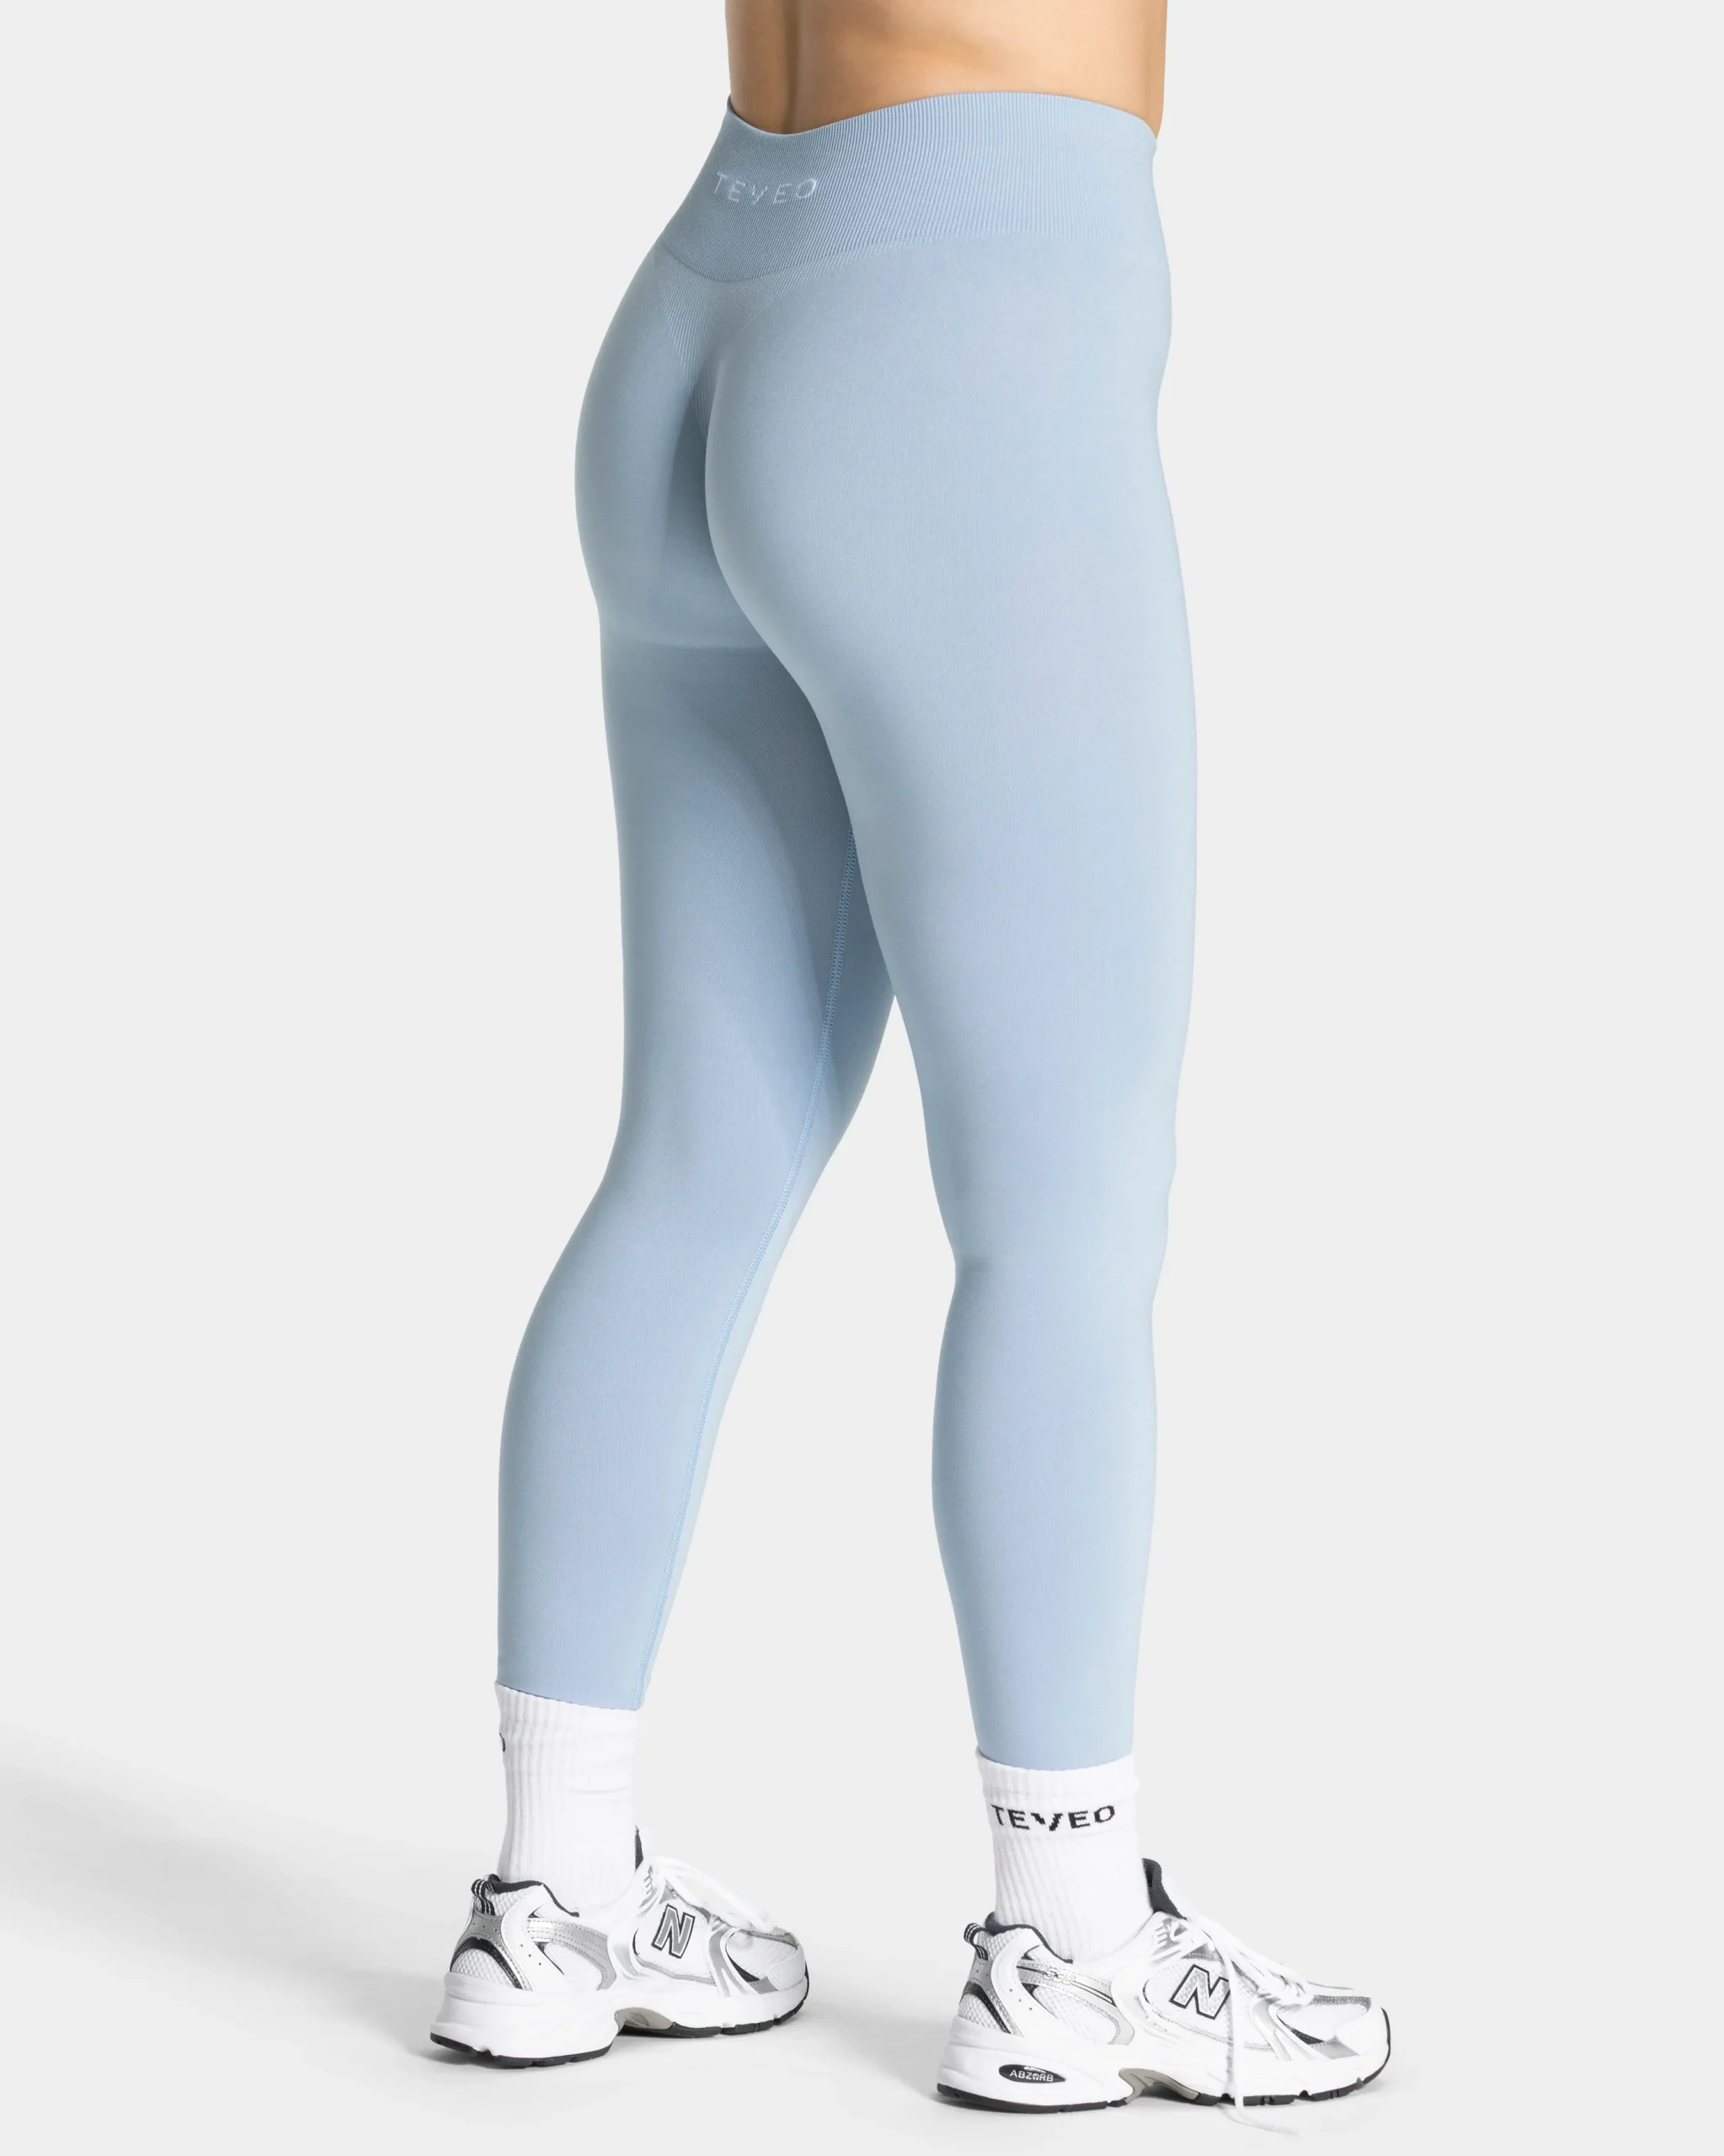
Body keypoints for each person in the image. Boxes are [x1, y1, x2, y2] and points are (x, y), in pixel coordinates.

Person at [430, 0, 1390, 2113]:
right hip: (966, 335)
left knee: (693, 1158)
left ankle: (551, 1892)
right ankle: (1074, 1936)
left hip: (705, 303)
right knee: (1066, 1207)